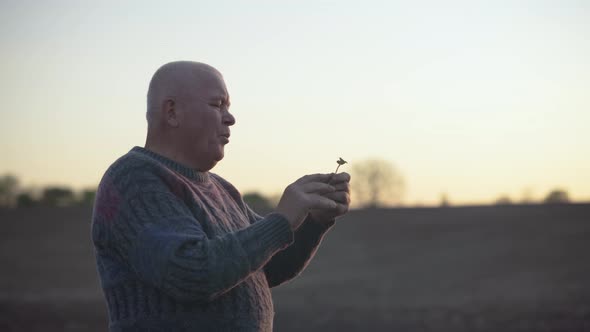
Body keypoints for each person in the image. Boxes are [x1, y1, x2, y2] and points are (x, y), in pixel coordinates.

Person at [91, 61, 351, 331]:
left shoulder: (222, 189)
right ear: (172, 112)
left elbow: (267, 267)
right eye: (218, 105)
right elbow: (190, 273)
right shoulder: (134, 178)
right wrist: (281, 220)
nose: (230, 118)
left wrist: (314, 222)